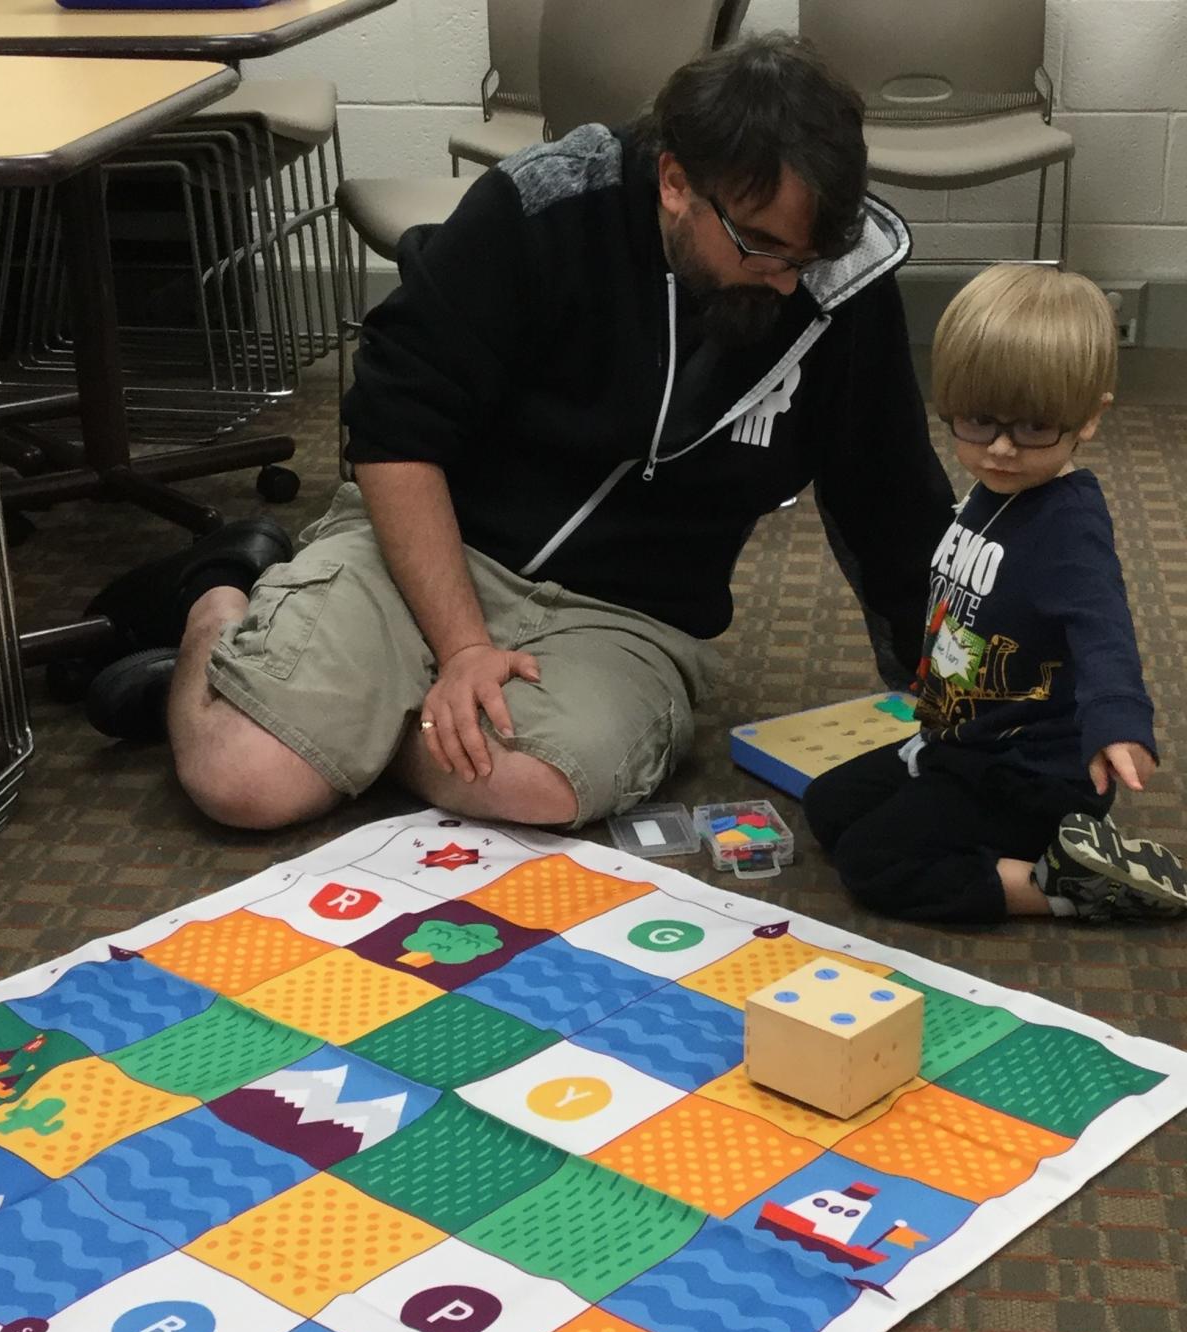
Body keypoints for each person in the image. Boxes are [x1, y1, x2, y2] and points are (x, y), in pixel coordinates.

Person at [85, 32, 953, 832]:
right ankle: (223, 601)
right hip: (437, 546)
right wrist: (462, 646)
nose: (786, 281)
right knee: (246, 782)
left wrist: (949, 704)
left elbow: (889, 500)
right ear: (676, 181)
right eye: (759, 246)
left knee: (537, 788)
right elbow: (394, 430)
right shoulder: (542, 204)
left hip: (624, 617)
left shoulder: (835, 281)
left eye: (803, 258)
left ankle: (326, 712)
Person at [803, 263, 1187, 924]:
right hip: (962, 745)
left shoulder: (1069, 528)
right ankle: (1040, 853)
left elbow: (1104, 630)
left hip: (1031, 778)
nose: (1002, 450)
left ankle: (1067, 885)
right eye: (979, 423)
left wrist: (1119, 723)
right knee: (829, 805)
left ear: (1088, 420)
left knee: (873, 861)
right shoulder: (995, 491)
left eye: (1034, 428)